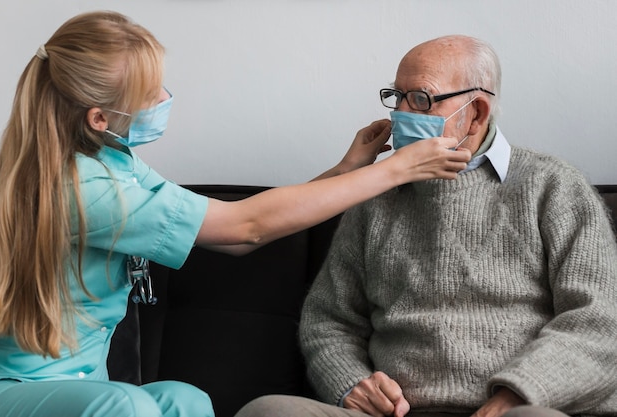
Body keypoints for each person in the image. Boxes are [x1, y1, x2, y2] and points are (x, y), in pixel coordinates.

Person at [0, 12, 473, 417]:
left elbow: (242, 228)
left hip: (85, 388)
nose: (164, 100)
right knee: (127, 407)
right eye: (150, 93)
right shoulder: (79, 187)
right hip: (13, 390)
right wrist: (397, 170)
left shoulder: (116, 162)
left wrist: (347, 169)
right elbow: (248, 226)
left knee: (186, 401)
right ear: (99, 118)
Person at [234, 35, 617, 417]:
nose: (400, 111)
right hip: (396, 414)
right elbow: (328, 320)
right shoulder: (376, 194)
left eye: (419, 98)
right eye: (396, 96)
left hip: (517, 407)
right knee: (267, 411)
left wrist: (516, 395)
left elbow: (599, 320)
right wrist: (351, 383)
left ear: (477, 111)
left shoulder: (553, 186)